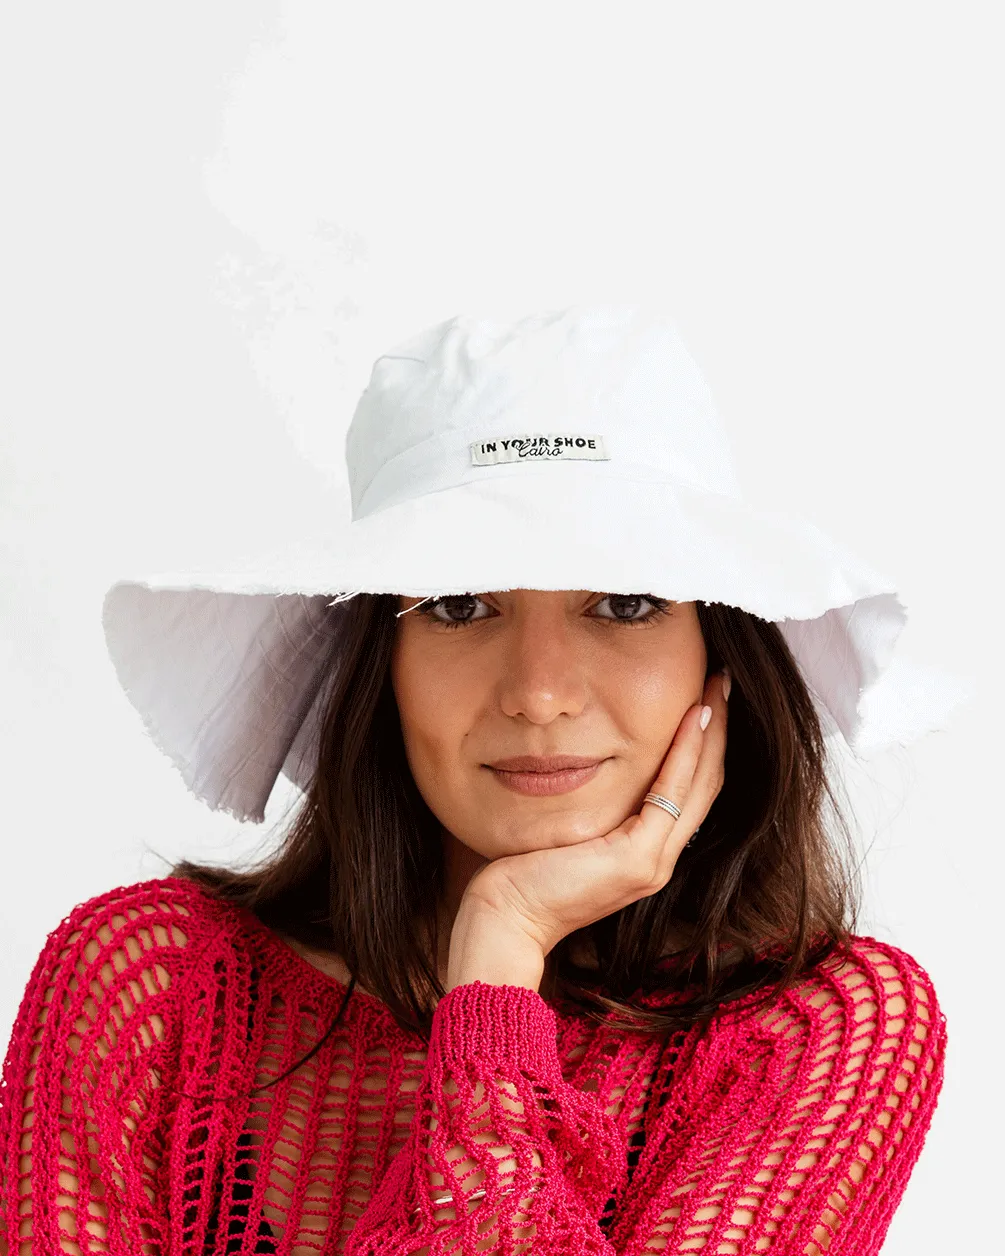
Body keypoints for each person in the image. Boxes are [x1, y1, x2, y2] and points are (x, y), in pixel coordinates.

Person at [0, 304, 950, 1255]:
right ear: (382, 661)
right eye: (459, 604)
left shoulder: (813, 1027)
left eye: (622, 602)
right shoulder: (149, 985)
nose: (538, 693)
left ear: (719, 650)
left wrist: (499, 959)